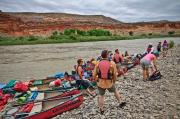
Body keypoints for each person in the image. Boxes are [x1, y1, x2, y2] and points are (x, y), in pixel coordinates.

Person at [93, 50, 126, 114]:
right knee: (115, 91)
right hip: (109, 82)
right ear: (107, 55)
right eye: (109, 54)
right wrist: (114, 81)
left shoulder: (98, 63)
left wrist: (96, 79)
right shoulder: (112, 63)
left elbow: (94, 74)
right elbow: (115, 74)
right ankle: (120, 102)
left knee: (101, 95)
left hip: (100, 82)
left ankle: (101, 109)